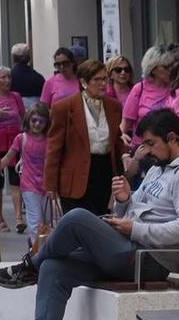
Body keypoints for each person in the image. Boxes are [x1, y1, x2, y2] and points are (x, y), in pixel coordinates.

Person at [0, 108, 179, 320]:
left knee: (75, 218)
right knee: (53, 268)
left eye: (151, 143)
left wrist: (135, 228)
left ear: (172, 137)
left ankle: (29, 267)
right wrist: (122, 202)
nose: (147, 151)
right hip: (127, 249)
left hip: (149, 259)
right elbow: (128, 213)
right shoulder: (158, 169)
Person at [45, 59, 127, 218]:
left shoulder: (114, 106)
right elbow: (54, 148)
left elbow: (116, 139)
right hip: (75, 175)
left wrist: (124, 155)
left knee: (102, 222)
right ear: (83, 82)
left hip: (104, 172)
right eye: (98, 79)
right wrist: (50, 185)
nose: (103, 83)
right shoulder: (63, 108)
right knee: (77, 223)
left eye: (105, 79)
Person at [0, 102, 51, 236]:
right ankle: (34, 249)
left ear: (47, 122)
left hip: (47, 186)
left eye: (41, 121)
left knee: (47, 221)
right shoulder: (22, 138)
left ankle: (43, 247)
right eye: (34, 120)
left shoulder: (49, 140)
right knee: (35, 220)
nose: (37, 124)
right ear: (28, 120)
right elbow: (8, 157)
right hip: (29, 186)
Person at [0, 67, 24, 233]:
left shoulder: (16, 97)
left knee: (17, 179)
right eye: (3, 77)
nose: (7, 80)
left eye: (9, 77)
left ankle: (18, 218)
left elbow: (24, 117)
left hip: (15, 140)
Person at [121, 45, 179, 138]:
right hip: (142, 146)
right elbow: (126, 123)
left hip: (170, 146)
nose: (170, 70)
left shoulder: (175, 88)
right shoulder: (139, 88)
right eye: (166, 67)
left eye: (171, 66)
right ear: (153, 69)